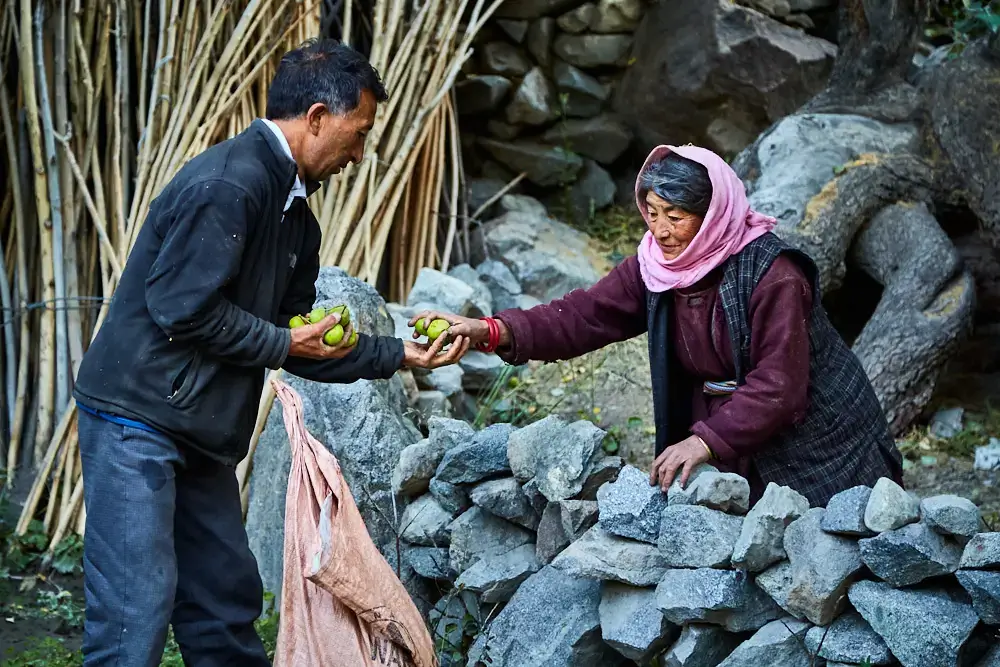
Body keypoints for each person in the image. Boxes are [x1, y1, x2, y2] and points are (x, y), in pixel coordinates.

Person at [71, 39, 469, 666]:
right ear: (316, 118)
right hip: (135, 419)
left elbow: (294, 341)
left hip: (199, 428)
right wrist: (284, 339)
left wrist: (400, 355)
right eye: (358, 132)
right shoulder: (230, 184)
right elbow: (181, 308)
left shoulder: (295, 215)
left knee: (224, 604)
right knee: (134, 612)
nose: (360, 154)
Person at [411, 144, 903, 508]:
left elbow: (779, 385)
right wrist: (490, 331)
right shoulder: (658, 267)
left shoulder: (774, 276)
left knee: (837, 547)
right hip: (733, 436)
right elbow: (584, 316)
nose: (661, 230)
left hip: (821, 441)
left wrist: (704, 440)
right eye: (652, 212)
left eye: (677, 215)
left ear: (713, 216)